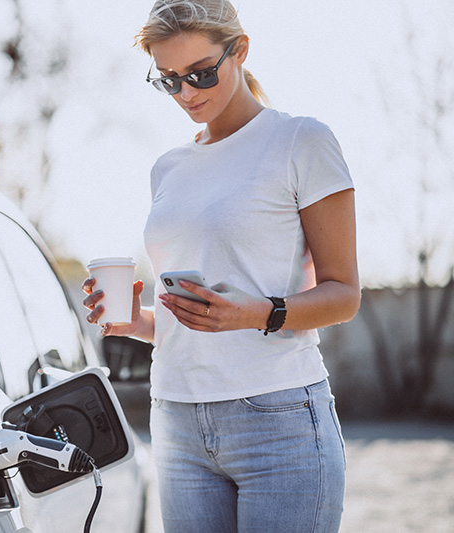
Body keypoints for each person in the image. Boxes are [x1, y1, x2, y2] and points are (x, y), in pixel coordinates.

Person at [82, 1, 360, 531]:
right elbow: (193, 315)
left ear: (241, 50)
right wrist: (135, 322)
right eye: (169, 80)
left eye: (201, 73)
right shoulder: (168, 168)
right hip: (177, 419)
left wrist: (255, 313)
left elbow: (344, 294)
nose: (187, 93)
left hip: (277, 418)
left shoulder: (301, 141)